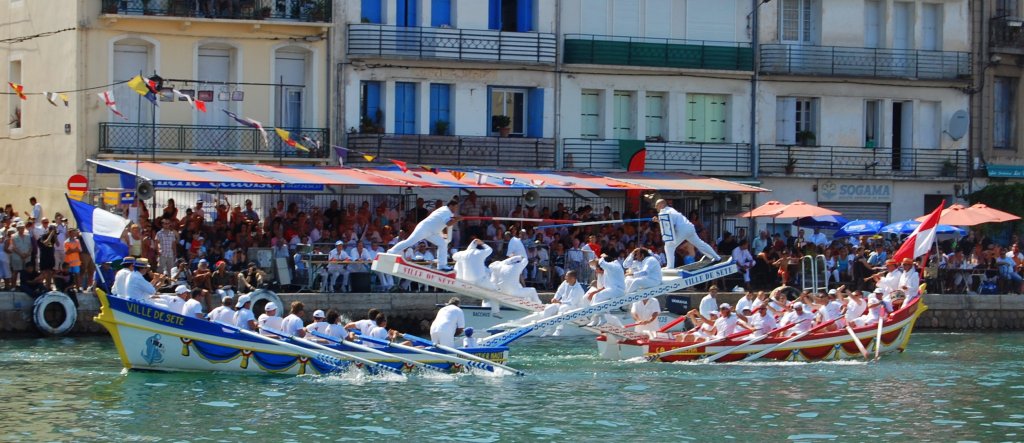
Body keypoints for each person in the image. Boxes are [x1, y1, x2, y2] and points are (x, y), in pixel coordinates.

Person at [387, 200, 461, 271]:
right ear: (451, 205)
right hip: (424, 229)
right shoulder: (445, 211)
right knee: (409, 242)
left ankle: (442, 265)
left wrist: (443, 233)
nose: (456, 209)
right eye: (456, 207)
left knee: (443, 243)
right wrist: (457, 219)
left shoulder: (449, 213)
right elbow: (448, 223)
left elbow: (441, 223)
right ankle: (391, 252)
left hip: (432, 232)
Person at [653, 199, 720, 268]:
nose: (655, 207)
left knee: (669, 246)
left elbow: (668, 225)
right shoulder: (671, 210)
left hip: (682, 229)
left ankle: (670, 267)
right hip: (689, 227)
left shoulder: (663, 212)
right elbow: (668, 222)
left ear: (662, 205)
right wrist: (658, 220)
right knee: (700, 244)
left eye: (657, 205)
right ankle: (716, 257)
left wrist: (658, 220)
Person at [585, 255, 626, 327]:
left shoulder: (613, 265)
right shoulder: (609, 267)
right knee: (595, 298)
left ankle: (597, 318)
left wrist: (601, 258)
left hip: (617, 290)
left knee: (597, 297)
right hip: (612, 290)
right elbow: (595, 265)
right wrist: (595, 261)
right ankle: (599, 318)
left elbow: (602, 264)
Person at [541, 270, 585, 336]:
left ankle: (558, 330)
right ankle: (547, 330)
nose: (565, 278)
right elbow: (559, 292)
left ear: (573, 278)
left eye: (567, 277)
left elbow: (571, 302)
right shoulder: (565, 282)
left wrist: (559, 301)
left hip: (574, 306)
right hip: (562, 303)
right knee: (548, 309)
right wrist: (555, 298)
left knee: (562, 308)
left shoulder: (578, 289)